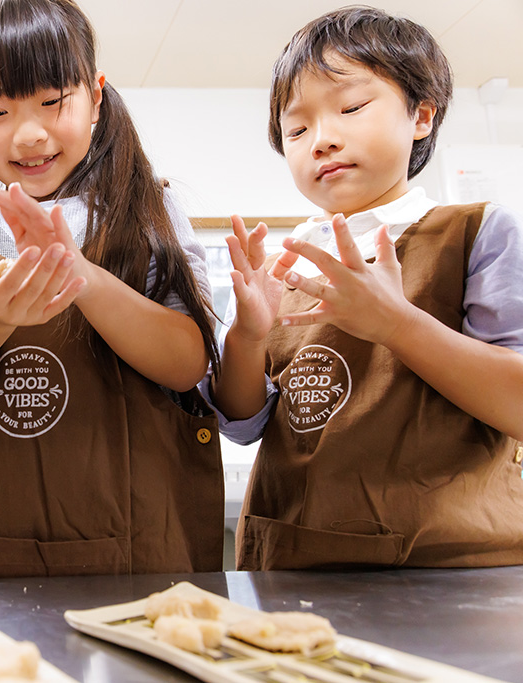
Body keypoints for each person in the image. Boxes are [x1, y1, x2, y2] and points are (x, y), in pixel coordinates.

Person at [0, 0, 223, 580]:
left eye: (52, 101)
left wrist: (83, 276)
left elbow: (188, 362)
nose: (28, 133)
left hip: (136, 556)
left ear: (95, 97)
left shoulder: (149, 208)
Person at [206, 6, 523, 570]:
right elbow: (244, 423)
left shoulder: (476, 233)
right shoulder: (282, 264)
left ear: (421, 115)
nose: (322, 140)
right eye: (296, 130)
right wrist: (248, 337)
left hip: (446, 570)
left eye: (351, 108)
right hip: (293, 563)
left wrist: (396, 324)